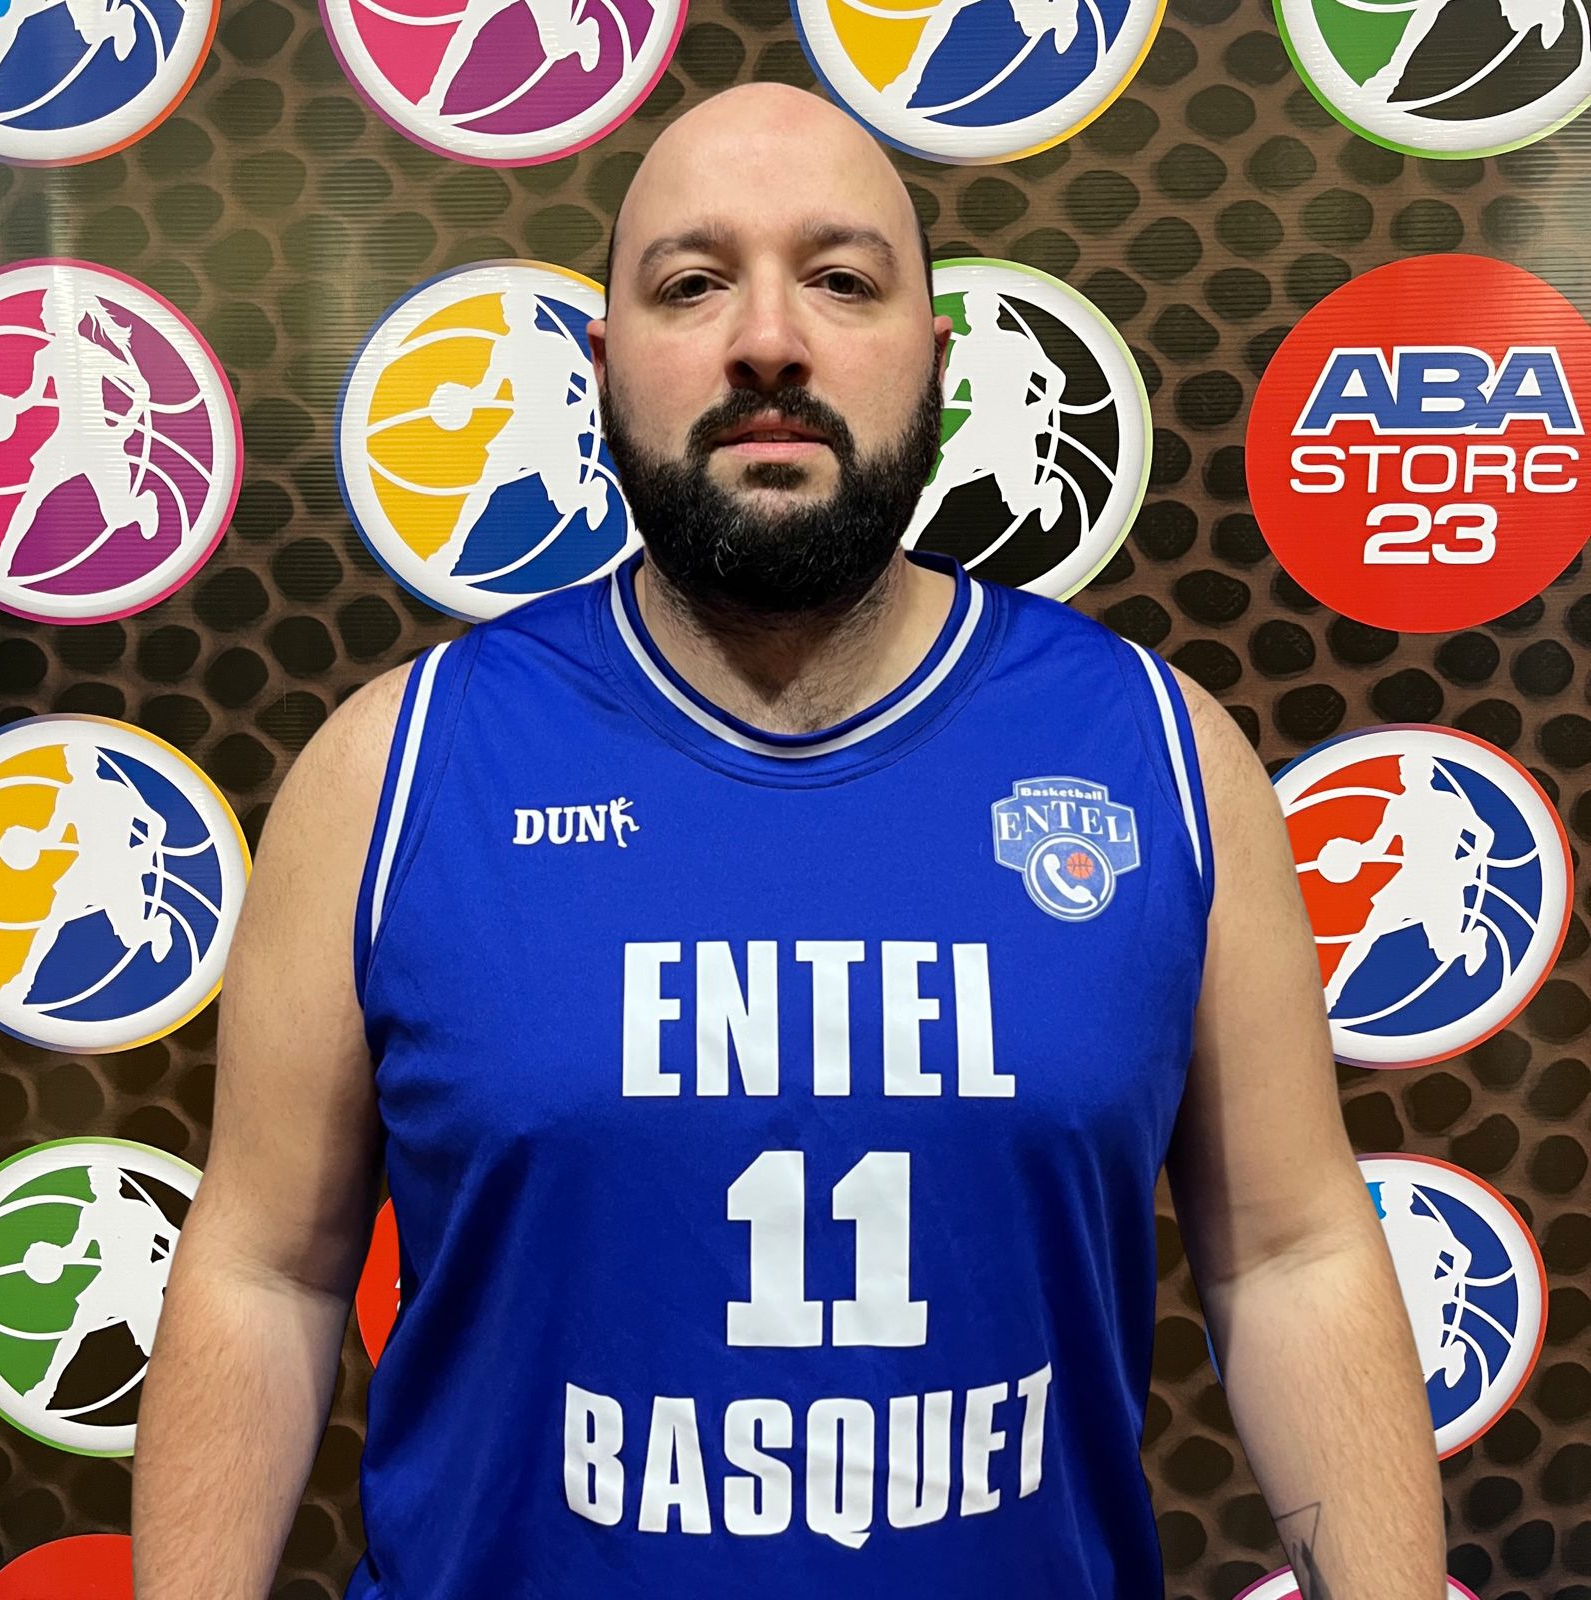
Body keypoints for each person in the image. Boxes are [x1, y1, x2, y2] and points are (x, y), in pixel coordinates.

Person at [130, 81, 1447, 1600]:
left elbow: (1291, 1254)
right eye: (694, 284)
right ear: (604, 366)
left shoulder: (1161, 758)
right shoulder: (394, 773)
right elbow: (264, 1272)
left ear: (937, 360)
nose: (768, 340)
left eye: (841, 280)